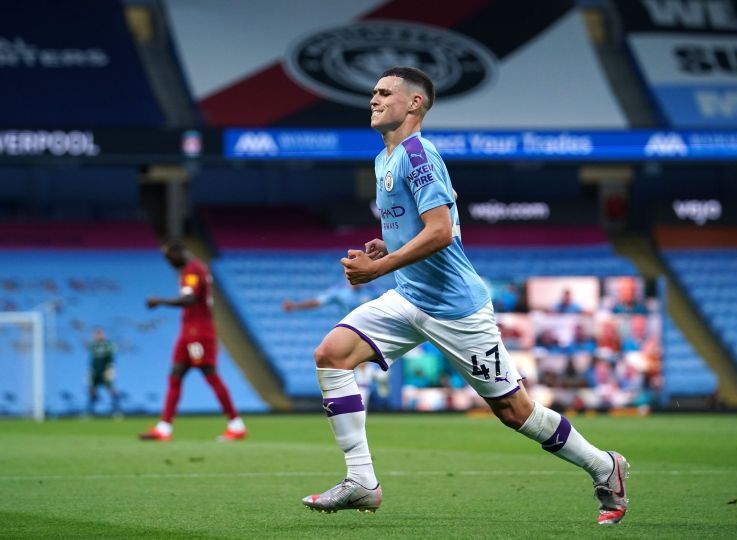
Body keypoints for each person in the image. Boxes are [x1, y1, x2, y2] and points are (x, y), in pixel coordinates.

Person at [300, 66, 629, 525]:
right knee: (332, 354)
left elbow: (439, 234)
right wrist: (387, 245)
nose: (373, 99)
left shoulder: (418, 156)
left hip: (455, 309)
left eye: (384, 93)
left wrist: (378, 267)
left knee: (515, 411)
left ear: (415, 103)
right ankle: (362, 483)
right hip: (410, 296)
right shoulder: (385, 157)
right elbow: (433, 225)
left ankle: (603, 465)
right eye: (372, 92)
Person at [139, 240, 246, 442]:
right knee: (175, 374)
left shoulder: (192, 270)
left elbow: (189, 299)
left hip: (198, 332)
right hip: (188, 331)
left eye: (170, 259)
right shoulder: (194, 269)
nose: (170, 264)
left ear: (178, 253)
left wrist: (158, 301)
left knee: (210, 374)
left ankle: (236, 424)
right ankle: (164, 427)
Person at [283, 280, 384, 406]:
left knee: (361, 369)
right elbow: (317, 302)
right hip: (348, 332)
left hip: (369, 332)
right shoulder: (339, 291)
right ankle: (377, 376)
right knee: (354, 368)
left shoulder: (372, 290)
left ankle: (373, 380)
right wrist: (295, 306)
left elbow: (388, 302)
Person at [86, 327, 120, 417]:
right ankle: (90, 412)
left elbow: (111, 357)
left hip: (106, 370)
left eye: (99, 334)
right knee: (92, 390)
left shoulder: (109, 345)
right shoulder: (93, 345)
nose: (97, 336)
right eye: (95, 334)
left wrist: (110, 369)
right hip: (95, 370)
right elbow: (92, 359)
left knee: (111, 389)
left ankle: (116, 410)